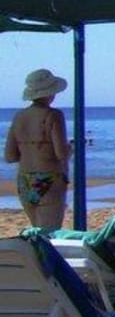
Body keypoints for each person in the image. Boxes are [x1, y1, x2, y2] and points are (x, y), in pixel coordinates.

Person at [4, 68, 72, 229]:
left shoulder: (19, 117)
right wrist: (71, 148)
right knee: (50, 232)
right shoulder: (53, 115)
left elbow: (10, 156)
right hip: (49, 177)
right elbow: (61, 153)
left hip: (25, 179)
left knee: (37, 231)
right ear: (51, 93)